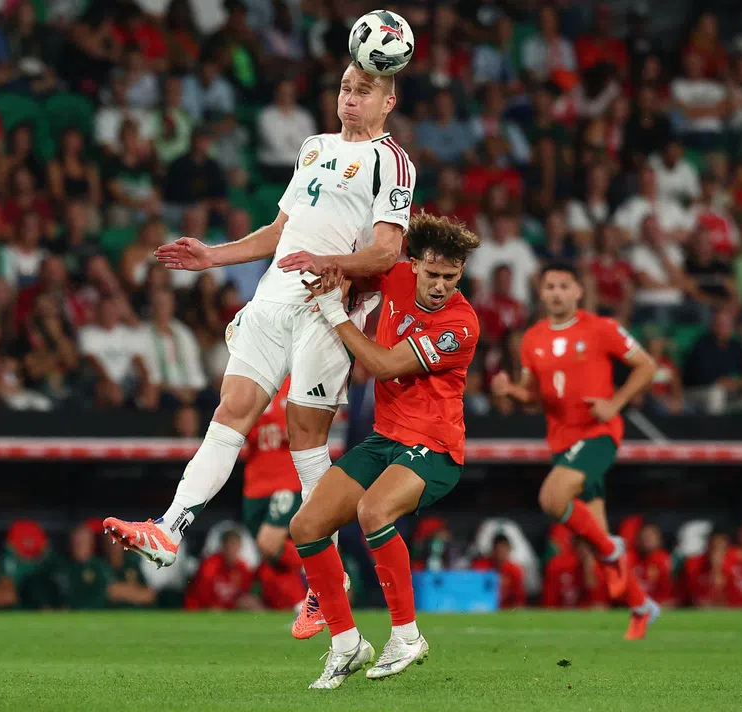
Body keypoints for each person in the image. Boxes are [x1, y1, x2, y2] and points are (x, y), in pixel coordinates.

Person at [104, 63, 413, 623]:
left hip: (326, 306)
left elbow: (388, 252)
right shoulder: (313, 147)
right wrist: (213, 256)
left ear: (386, 102)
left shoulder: (391, 160)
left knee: (304, 439)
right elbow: (279, 233)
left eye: (363, 91)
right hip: (272, 299)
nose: (349, 98)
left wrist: (329, 262)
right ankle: (169, 529)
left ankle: (328, 580)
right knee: (231, 410)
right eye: (345, 88)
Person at [289, 213, 480, 689]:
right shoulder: (394, 276)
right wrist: (321, 265)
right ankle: (345, 643)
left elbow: (382, 364)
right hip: (386, 437)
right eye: (432, 274)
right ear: (414, 265)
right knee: (306, 525)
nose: (440, 286)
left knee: (373, 510)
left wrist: (334, 312)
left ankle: (407, 635)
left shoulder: (460, 325)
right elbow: (352, 267)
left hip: (434, 447)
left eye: (450, 277)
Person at [492, 261, 659, 639]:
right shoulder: (531, 339)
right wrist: (511, 392)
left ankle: (613, 550)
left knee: (552, 498)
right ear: (541, 292)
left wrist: (615, 404)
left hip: (598, 433)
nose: (556, 293)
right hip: (562, 441)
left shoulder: (601, 329)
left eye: (564, 286)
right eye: (550, 286)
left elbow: (646, 366)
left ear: (578, 292)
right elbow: (534, 398)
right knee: (595, 540)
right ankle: (641, 606)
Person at [240, 378, 314, 624]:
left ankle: (323, 568)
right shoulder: (249, 383)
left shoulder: (298, 380)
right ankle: (301, 606)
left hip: (286, 480)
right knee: (271, 555)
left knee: (269, 544)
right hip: (254, 485)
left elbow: (321, 418)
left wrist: (298, 429)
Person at [471, 535, 527, 608]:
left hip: (506, 610)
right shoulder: (481, 567)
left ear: (509, 550)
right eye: (498, 550)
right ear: (493, 550)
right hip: (484, 608)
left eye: (504, 550)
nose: (500, 554)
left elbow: (519, 599)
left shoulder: (515, 570)